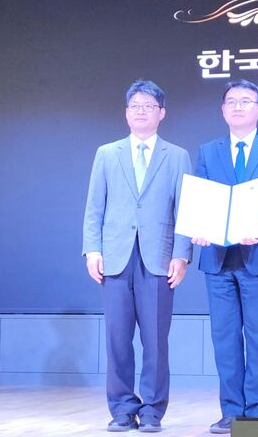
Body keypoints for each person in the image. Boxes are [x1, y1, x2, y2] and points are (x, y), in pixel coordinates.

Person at [82, 80, 192, 433]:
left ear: (162, 113)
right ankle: (121, 409)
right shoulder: (107, 153)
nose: (141, 111)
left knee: (156, 341)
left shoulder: (177, 156)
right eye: (135, 106)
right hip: (115, 257)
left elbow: (185, 209)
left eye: (148, 106)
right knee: (117, 339)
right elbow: (94, 207)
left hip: (158, 258)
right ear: (126, 113)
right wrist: (92, 249)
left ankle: (152, 411)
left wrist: (182, 254)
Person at [192, 79, 258, 434]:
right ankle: (231, 411)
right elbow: (202, 197)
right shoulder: (208, 151)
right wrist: (200, 227)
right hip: (218, 258)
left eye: (246, 101)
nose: (238, 106)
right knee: (224, 339)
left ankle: (257, 413)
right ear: (223, 110)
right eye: (231, 101)